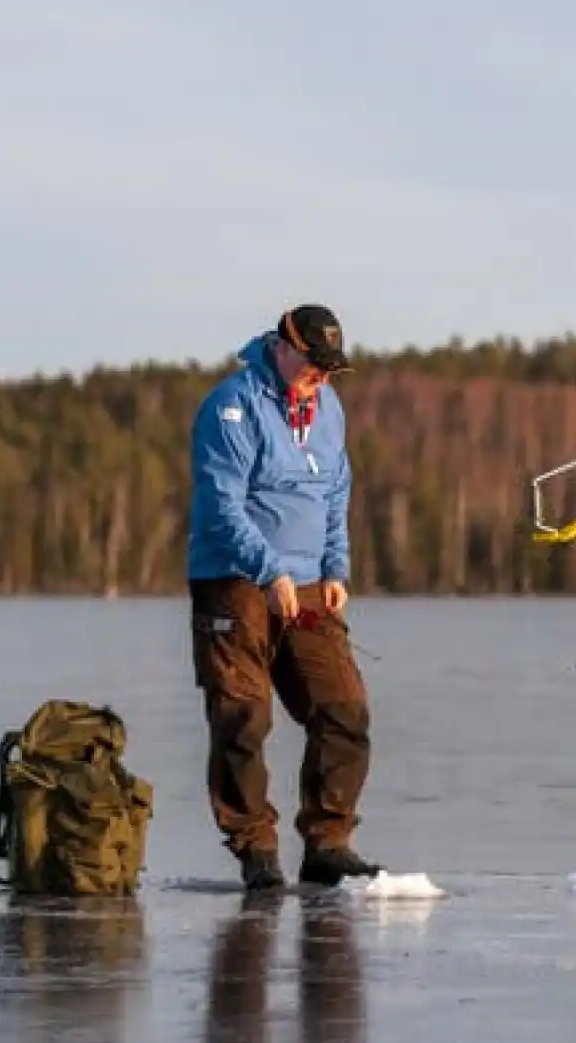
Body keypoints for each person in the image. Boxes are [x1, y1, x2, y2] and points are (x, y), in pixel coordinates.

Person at [186, 303, 382, 891]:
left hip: (308, 584)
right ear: (283, 347)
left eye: (329, 369)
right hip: (236, 581)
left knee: (344, 710)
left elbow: (334, 494)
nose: (320, 377)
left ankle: (328, 843)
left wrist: (336, 568)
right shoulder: (233, 405)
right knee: (243, 717)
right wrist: (269, 573)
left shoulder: (328, 409)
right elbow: (222, 504)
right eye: (313, 364)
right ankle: (256, 850)